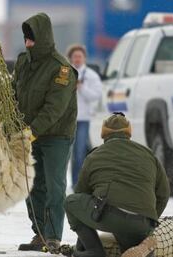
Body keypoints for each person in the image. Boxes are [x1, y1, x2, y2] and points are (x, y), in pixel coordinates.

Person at [13, 13, 78, 253]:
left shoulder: (60, 68)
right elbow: (14, 94)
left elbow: (55, 109)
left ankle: (52, 236)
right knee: (32, 186)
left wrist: (32, 131)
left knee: (54, 186)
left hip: (55, 137)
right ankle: (39, 233)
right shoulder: (23, 62)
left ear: (42, 38)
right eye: (25, 39)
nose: (27, 44)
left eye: (31, 40)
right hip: (29, 134)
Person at [64, 112, 170, 257]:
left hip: (110, 216)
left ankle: (94, 250)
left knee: (70, 202)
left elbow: (81, 194)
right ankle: (139, 246)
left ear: (104, 134)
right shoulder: (149, 154)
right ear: (128, 133)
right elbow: (163, 193)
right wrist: (150, 219)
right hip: (142, 222)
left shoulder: (94, 156)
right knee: (128, 246)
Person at [66, 44, 102, 190]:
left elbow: (96, 95)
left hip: (83, 119)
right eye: (75, 57)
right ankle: (70, 182)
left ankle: (77, 183)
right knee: (69, 153)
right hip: (68, 119)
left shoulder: (91, 76)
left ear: (84, 58)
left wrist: (81, 87)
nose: (77, 59)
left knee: (79, 152)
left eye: (80, 56)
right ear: (70, 58)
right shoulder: (65, 73)